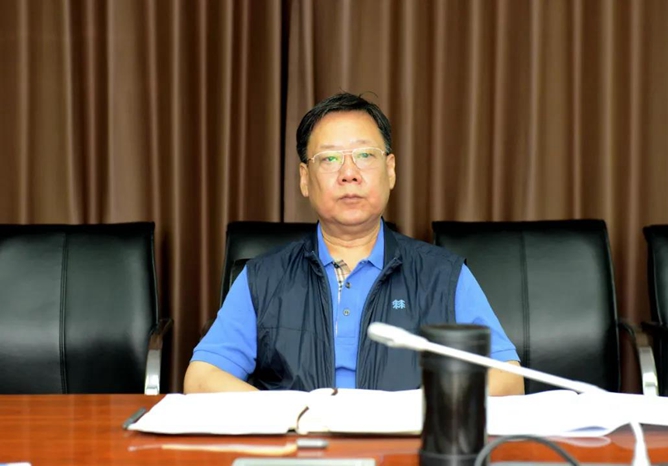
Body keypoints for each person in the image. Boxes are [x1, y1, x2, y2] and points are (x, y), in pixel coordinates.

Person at [184, 92, 524, 396]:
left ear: (390, 170)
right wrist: (288, 416)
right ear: (304, 179)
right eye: (330, 159)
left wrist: (419, 412)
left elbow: (507, 379)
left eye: (364, 155)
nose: (349, 173)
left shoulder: (443, 275)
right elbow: (202, 379)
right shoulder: (264, 278)